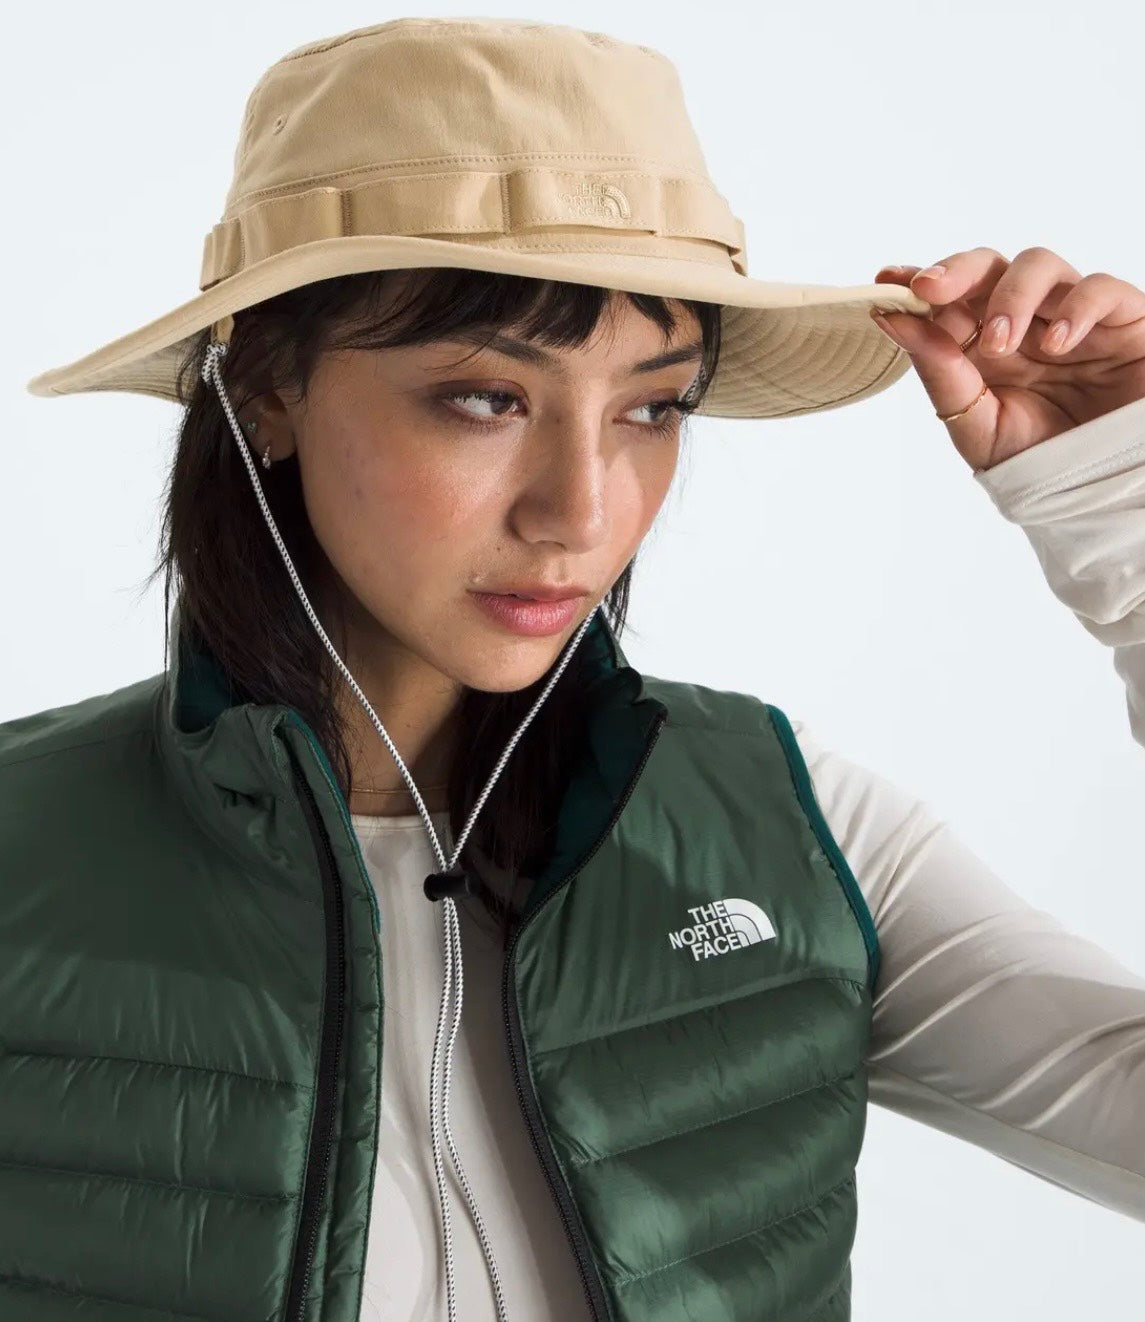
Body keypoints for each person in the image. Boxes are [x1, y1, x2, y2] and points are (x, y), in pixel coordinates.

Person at [4, 15, 1143, 1322]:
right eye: (487, 398)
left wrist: (1120, 499)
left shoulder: (792, 829)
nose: (582, 511)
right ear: (266, 386)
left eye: (652, 407)